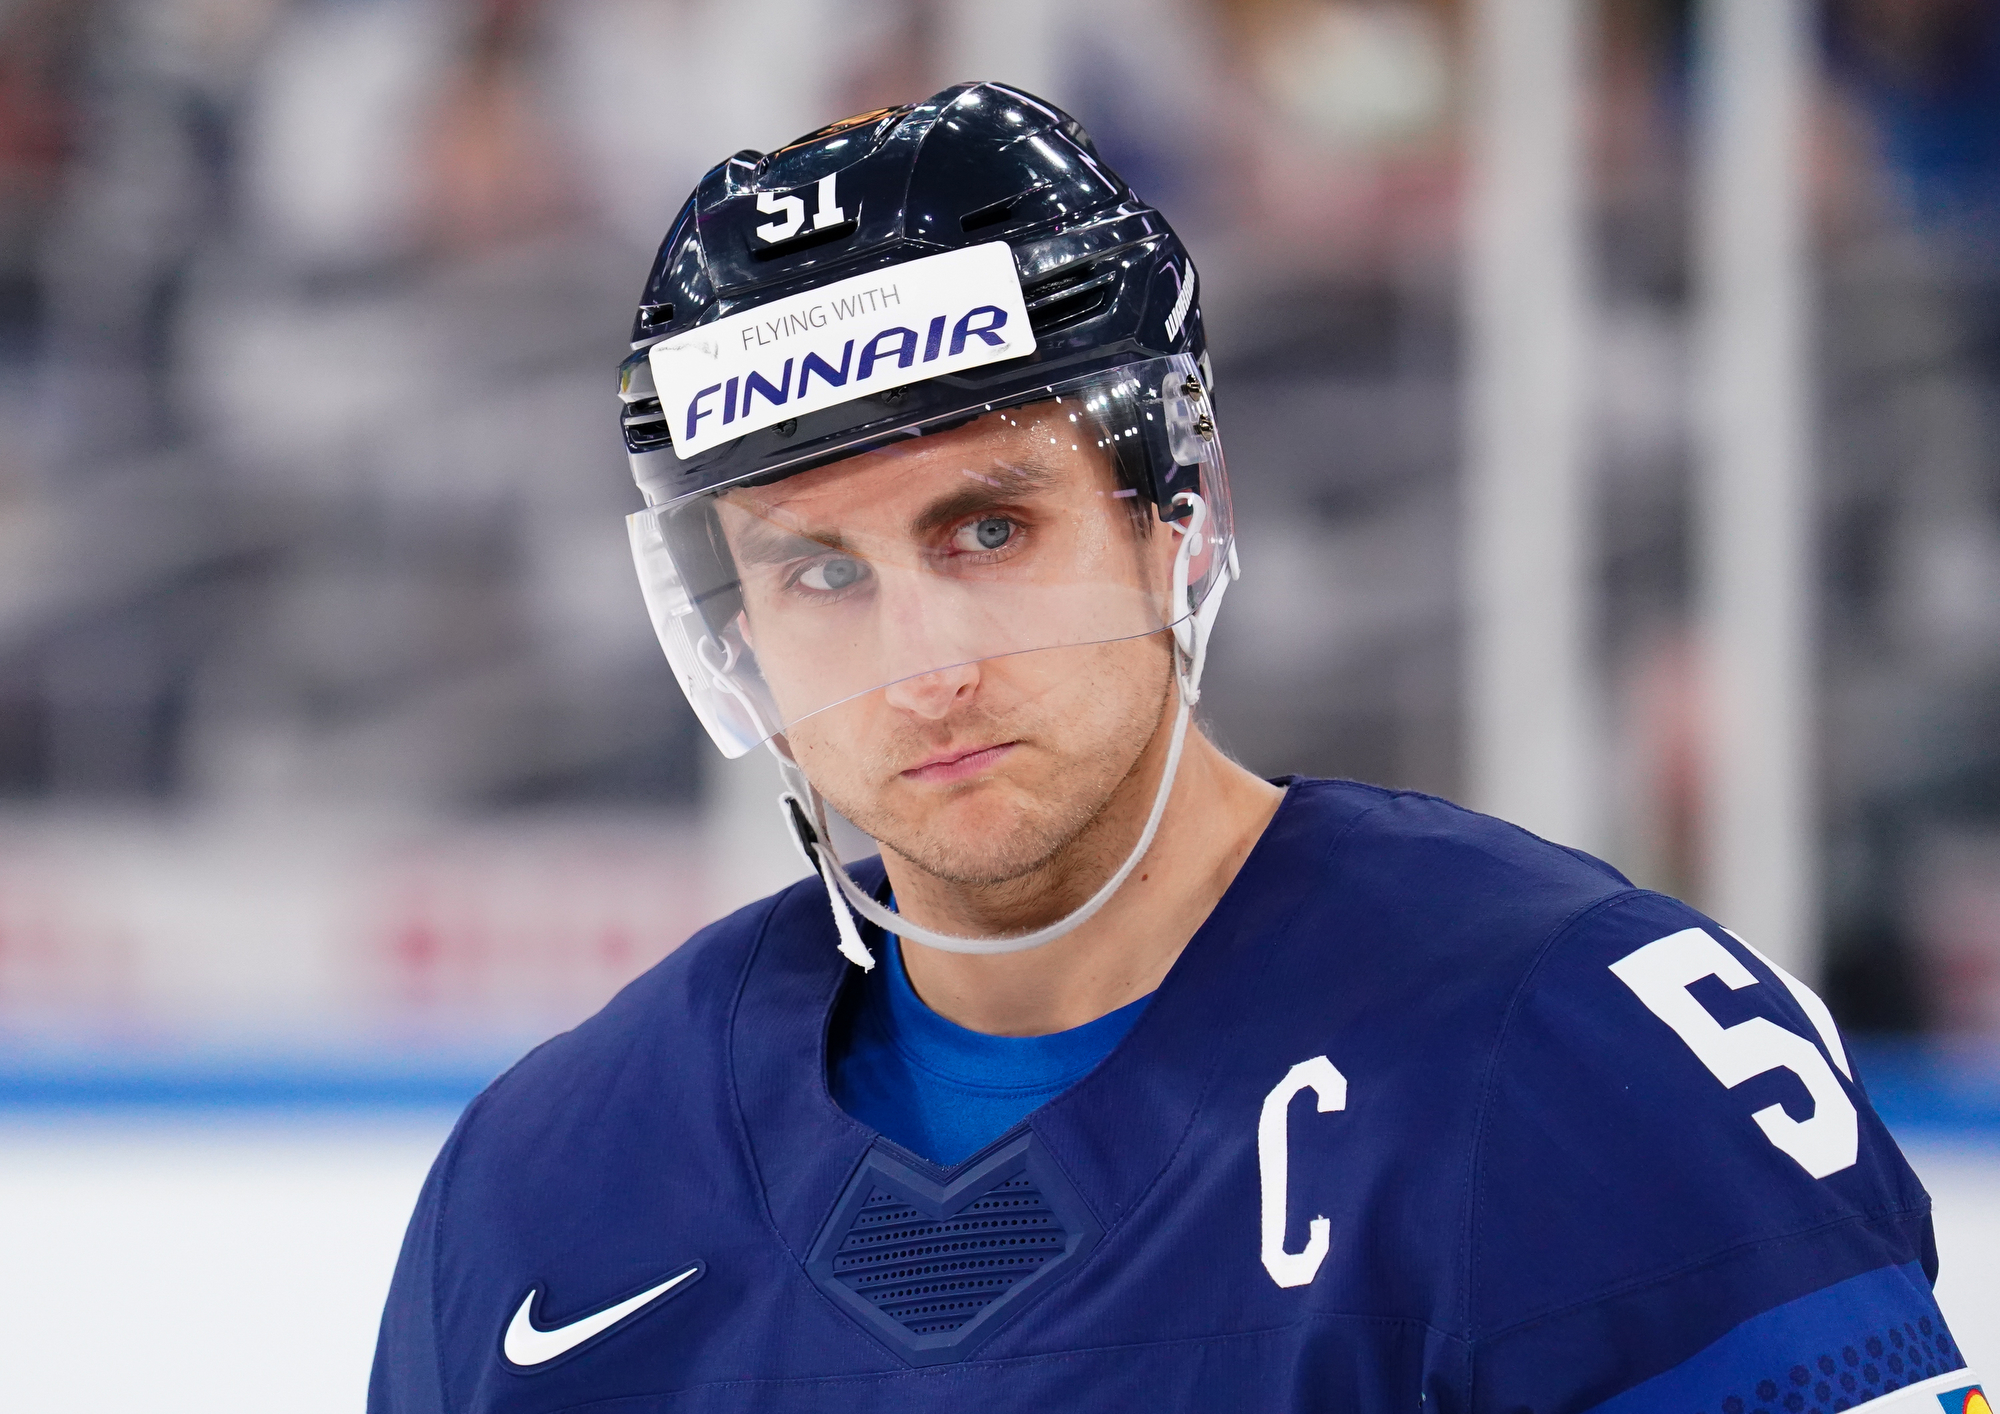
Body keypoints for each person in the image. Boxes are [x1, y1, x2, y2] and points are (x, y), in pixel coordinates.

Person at [369, 83, 1982, 1414]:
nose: (926, 667)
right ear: (730, 627)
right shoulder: (553, 1189)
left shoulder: (1590, 1062)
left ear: (1178, 514)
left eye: (990, 528)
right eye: (820, 574)